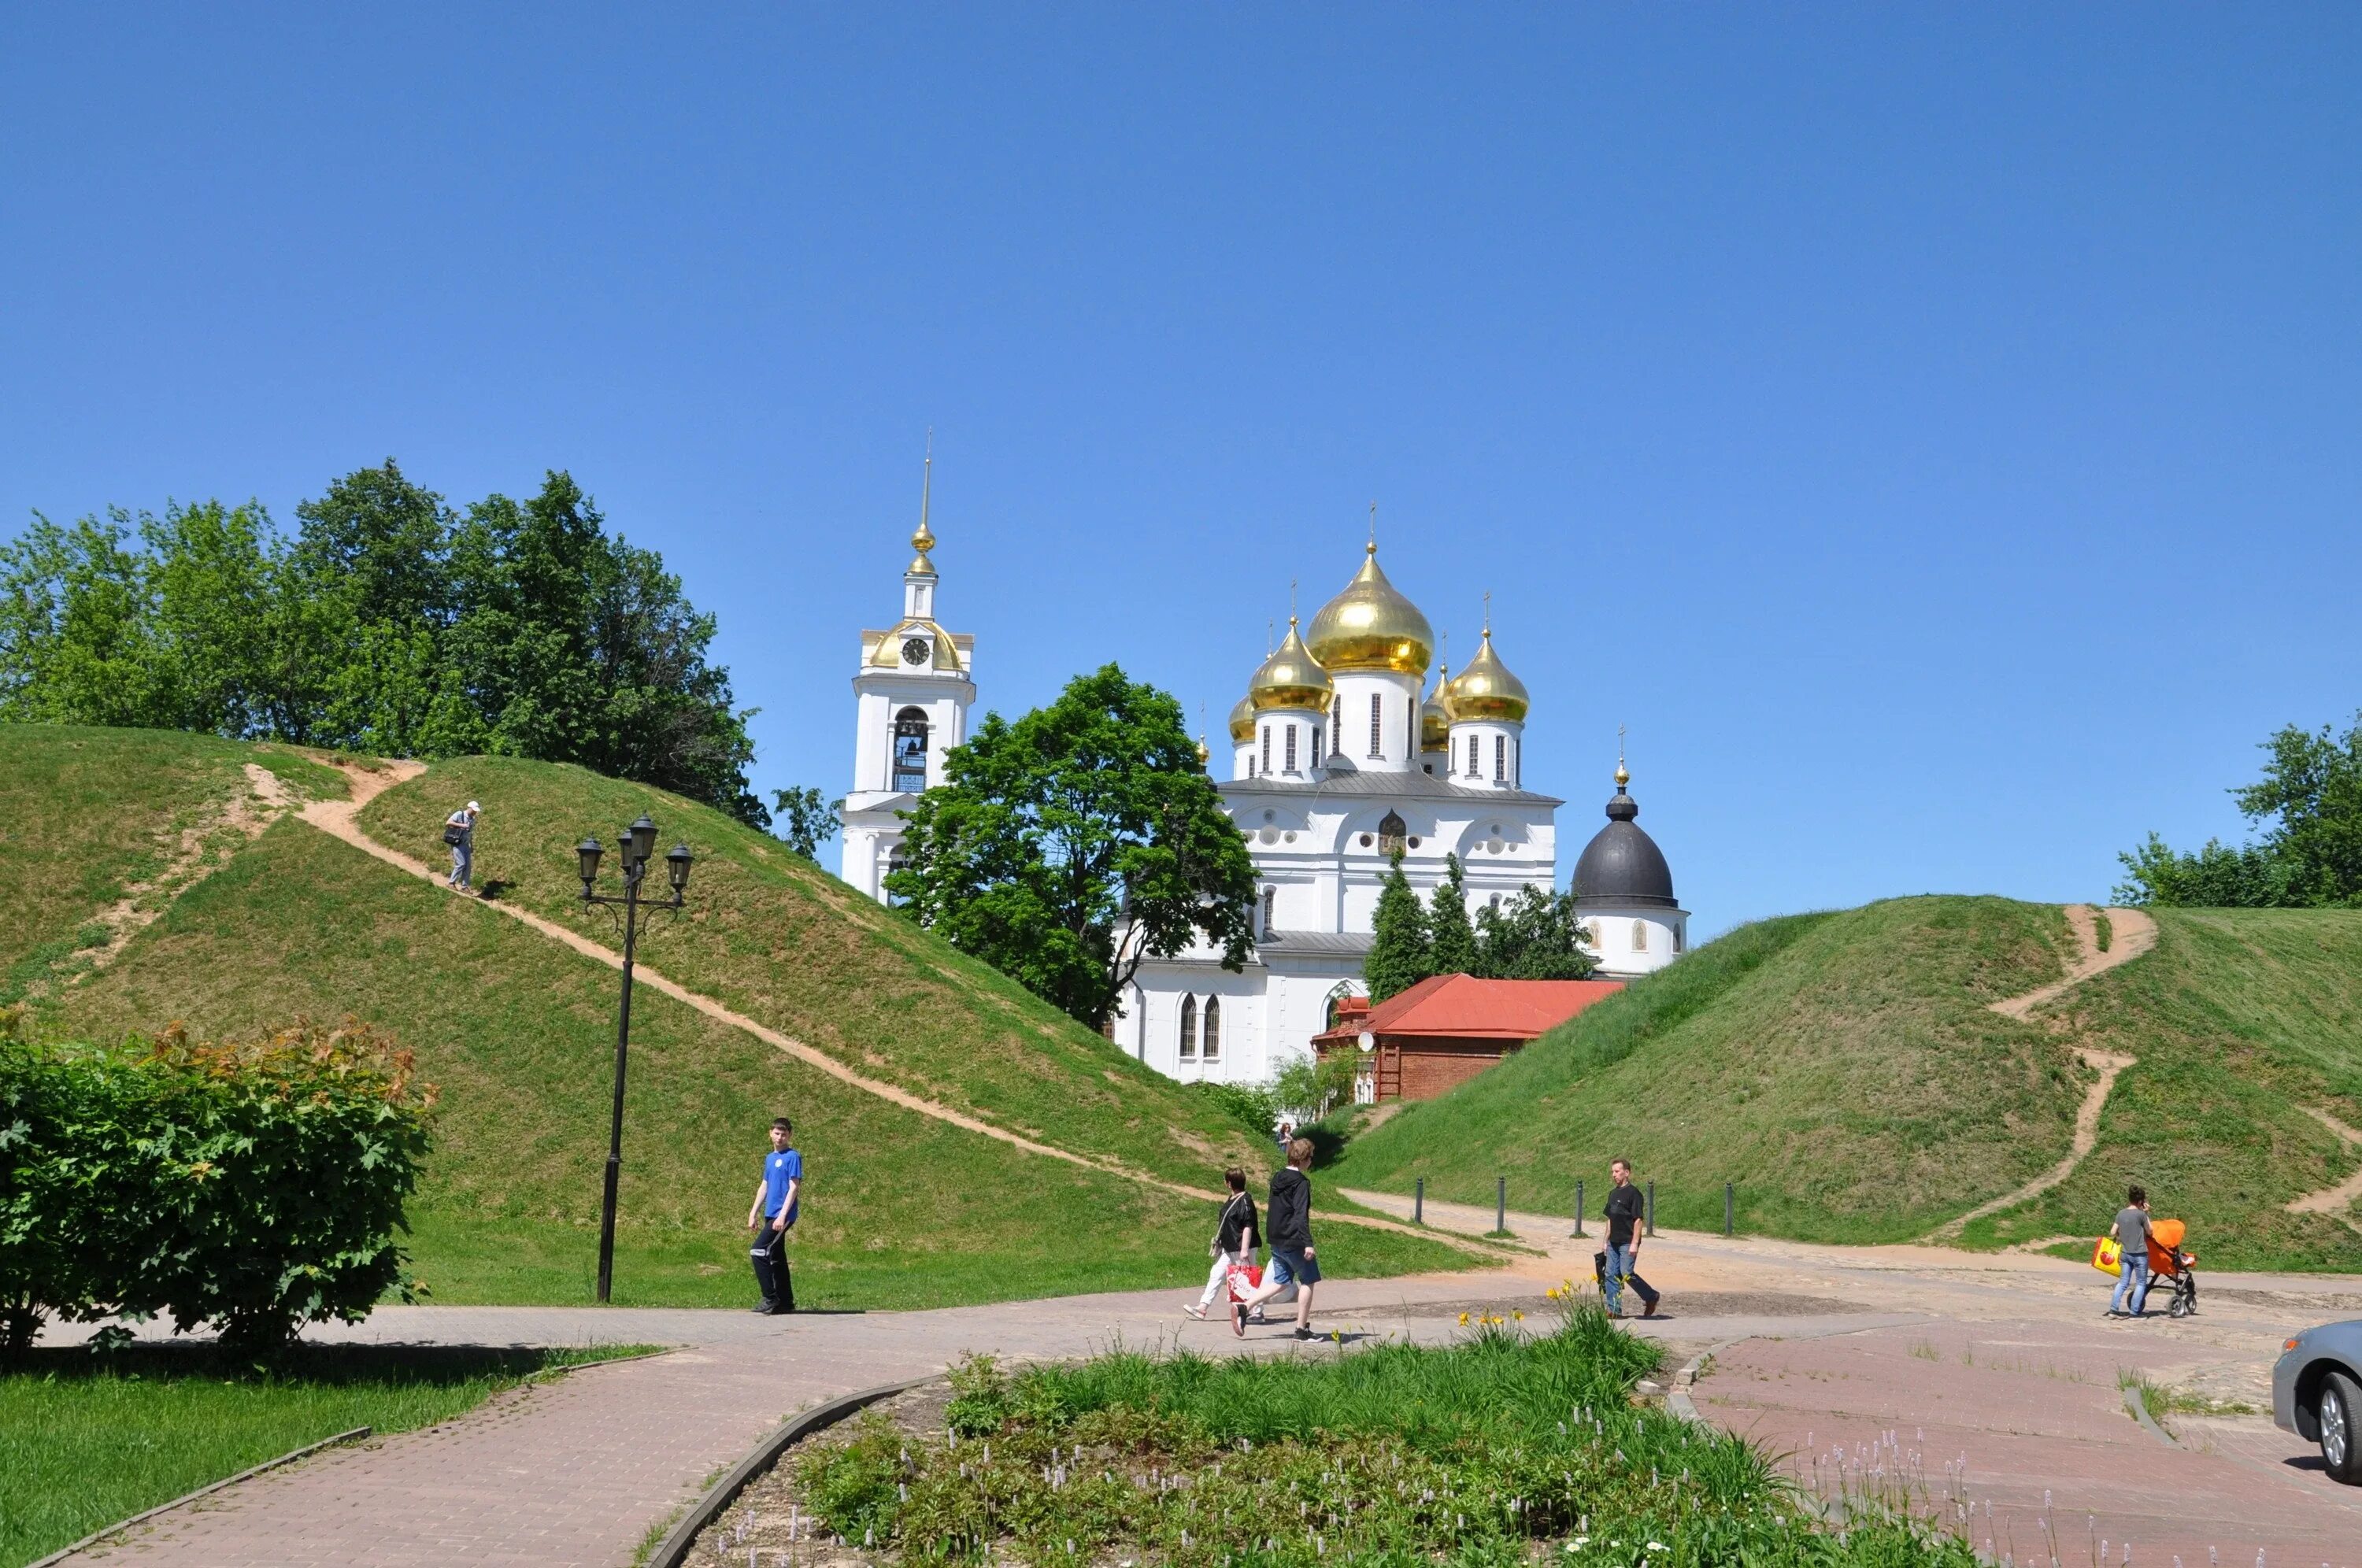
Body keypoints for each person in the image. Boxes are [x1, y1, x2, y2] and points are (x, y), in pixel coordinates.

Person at [1237, 1138, 1321, 1341]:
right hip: (1294, 1240)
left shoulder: (1277, 1178)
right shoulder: (1301, 1183)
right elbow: (1301, 1215)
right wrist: (1308, 1243)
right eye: (1310, 1158)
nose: (1311, 1162)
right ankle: (1301, 1330)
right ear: (1303, 1159)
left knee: (1281, 1282)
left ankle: (1245, 1307)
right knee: (1308, 1281)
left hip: (1276, 1238)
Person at [1185, 1167, 1259, 1320]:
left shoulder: (1245, 1201)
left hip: (1241, 1248)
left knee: (1247, 1280)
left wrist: (1244, 1250)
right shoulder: (1233, 1198)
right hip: (1229, 1248)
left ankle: (1257, 1311)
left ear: (1229, 1183)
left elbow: (1248, 1226)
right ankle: (1202, 1308)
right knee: (1216, 1274)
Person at [746, 1117, 802, 1315]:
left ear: (790, 1135)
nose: (780, 1137)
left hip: (783, 1215)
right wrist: (753, 1213)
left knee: (758, 1251)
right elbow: (765, 1186)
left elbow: (794, 1187)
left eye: (784, 1134)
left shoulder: (793, 1156)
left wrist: (782, 1216)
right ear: (770, 1133)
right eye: (777, 1133)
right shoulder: (770, 1158)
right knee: (777, 1257)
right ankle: (785, 1302)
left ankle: (770, 1297)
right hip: (771, 1213)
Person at [1601, 1158, 1660, 1318]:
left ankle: (1651, 1296)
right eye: (1613, 1171)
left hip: (1628, 1241)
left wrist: (1635, 1243)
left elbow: (1638, 1220)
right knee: (1611, 1274)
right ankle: (1614, 1310)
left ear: (1627, 1173)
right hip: (1614, 1241)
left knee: (1626, 1273)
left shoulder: (1634, 1194)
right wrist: (1605, 1241)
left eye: (1617, 1171)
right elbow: (1610, 1218)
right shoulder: (1613, 1194)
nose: (1614, 1174)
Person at [2108, 1184, 2153, 1318]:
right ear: (2141, 1201)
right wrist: (2147, 1213)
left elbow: (2112, 1232)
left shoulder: (2121, 1213)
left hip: (2125, 1253)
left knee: (2123, 1282)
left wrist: (2120, 1237)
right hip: (2139, 1253)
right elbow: (2150, 1231)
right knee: (2140, 1283)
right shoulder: (2141, 1215)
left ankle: (2113, 1310)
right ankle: (2134, 1312)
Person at [443, 801, 481, 892]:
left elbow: (470, 833)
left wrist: (471, 845)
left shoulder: (472, 819)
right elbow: (448, 823)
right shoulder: (459, 814)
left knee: (468, 866)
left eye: (476, 811)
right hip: (457, 843)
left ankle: (465, 887)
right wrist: (462, 825)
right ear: (469, 808)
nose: (475, 812)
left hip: (466, 844)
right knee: (461, 864)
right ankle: (451, 883)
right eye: (474, 810)